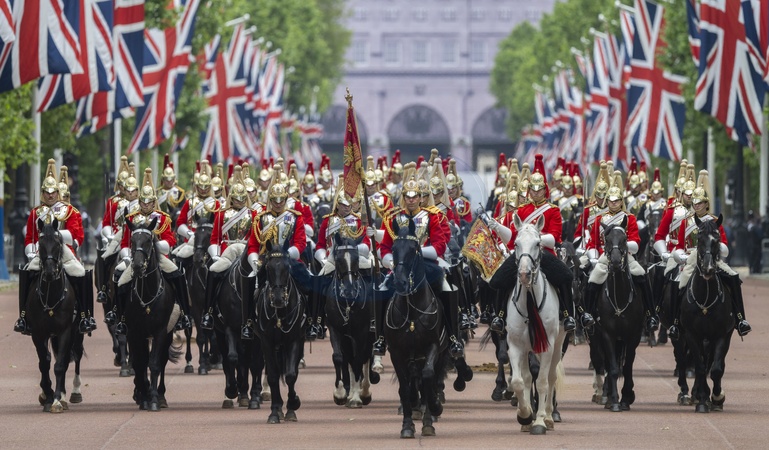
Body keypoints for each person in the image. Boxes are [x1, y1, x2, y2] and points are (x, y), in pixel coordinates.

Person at [487, 154, 593, 333]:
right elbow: (513, 238)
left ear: (545, 190)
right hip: (522, 254)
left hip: (544, 254)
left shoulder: (553, 210)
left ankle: (569, 314)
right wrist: (498, 227)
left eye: (539, 189)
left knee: (566, 276)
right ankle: (499, 315)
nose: (536, 193)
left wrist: (533, 240)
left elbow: (554, 238)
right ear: (529, 190)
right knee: (499, 279)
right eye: (533, 189)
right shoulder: (521, 210)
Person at [378, 169, 465, 359]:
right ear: (403, 198)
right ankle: (380, 338)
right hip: (401, 265)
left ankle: (452, 336)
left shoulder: (432, 216)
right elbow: (384, 247)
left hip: (426, 264)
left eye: (414, 196)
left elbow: (439, 246)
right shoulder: (393, 218)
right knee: (383, 288)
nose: (411, 200)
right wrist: (391, 261)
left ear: (420, 197)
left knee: (446, 287)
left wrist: (417, 252)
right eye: (407, 197)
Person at [16, 160, 93, 335]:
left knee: (80, 273)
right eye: (47, 192)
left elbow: (73, 234)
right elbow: (29, 237)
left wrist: (57, 237)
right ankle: (23, 317)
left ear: (58, 193)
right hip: (41, 251)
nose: (50, 196)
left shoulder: (69, 211)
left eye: (53, 193)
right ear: (43, 193)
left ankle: (84, 315)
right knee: (27, 272)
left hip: (63, 250)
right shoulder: (35, 212)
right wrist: (31, 251)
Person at [672, 170, 751, 337]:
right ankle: (676, 322)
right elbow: (679, 245)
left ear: (706, 204)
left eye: (700, 203)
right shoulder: (686, 222)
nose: (696, 205)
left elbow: (724, 245)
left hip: (713, 256)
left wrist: (715, 247)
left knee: (733, 277)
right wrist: (682, 256)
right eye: (695, 202)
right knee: (680, 283)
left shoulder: (715, 221)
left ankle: (740, 319)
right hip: (692, 258)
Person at [113, 168, 192, 335]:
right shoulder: (131, 218)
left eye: (149, 202)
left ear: (154, 202)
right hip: (137, 257)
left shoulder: (163, 218)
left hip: (159, 258)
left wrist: (158, 247)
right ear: (139, 201)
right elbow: (125, 242)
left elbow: (170, 240)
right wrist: (126, 256)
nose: (146, 205)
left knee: (178, 276)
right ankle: (120, 317)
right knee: (119, 278)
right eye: (143, 202)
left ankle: (184, 313)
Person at [582, 171, 659, 333]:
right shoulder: (599, 219)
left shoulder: (629, 218)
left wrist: (621, 247)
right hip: (605, 256)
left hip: (625, 255)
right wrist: (594, 257)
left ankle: (650, 314)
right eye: (610, 200)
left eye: (616, 200)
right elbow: (592, 242)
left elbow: (636, 241)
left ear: (621, 201)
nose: (613, 203)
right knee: (593, 278)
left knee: (642, 276)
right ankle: (587, 313)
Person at [200, 166, 256, 337]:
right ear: (231, 197)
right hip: (227, 253)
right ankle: (209, 312)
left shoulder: (253, 214)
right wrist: (216, 255)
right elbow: (215, 238)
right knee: (213, 270)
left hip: (247, 252)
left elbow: (256, 237)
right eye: (236, 199)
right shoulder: (222, 214)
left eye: (242, 198)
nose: (239, 201)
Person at [314, 177, 372, 341]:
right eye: (343, 204)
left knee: (374, 278)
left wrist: (354, 251)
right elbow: (320, 244)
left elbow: (366, 243)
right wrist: (323, 259)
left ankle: (374, 317)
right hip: (333, 259)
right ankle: (317, 320)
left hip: (356, 258)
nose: (347, 207)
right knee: (318, 282)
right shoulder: (328, 221)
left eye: (349, 204)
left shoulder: (358, 220)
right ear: (337, 204)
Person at [245, 168, 311, 308]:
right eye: (275, 200)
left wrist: (288, 253)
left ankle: (312, 318)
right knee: (248, 284)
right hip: (266, 259)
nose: (278, 203)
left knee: (310, 283)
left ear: (286, 199)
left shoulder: (295, 217)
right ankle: (249, 318)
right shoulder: (261, 218)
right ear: (270, 199)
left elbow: (300, 242)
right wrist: (255, 262)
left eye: (281, 200)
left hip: (289, 259)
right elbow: (253, 245)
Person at [653, 163, 695, 339]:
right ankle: (655, 310)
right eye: (687, 194)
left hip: (697, 255)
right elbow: (659, 235)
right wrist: (664, 253)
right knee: (660, 276)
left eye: (692, 194)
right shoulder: (672, 212)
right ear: (681, 194)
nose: (690, 197)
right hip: (674, 254)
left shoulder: (701, 213)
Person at [157, 153, 186, 223]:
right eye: (167, 180)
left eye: (171, 180)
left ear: (174, 179)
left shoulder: (180, 192)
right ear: (163, 180)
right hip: (160, 220)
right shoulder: (157, 192)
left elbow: (182, 208)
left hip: (175, 219)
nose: (169, 182)